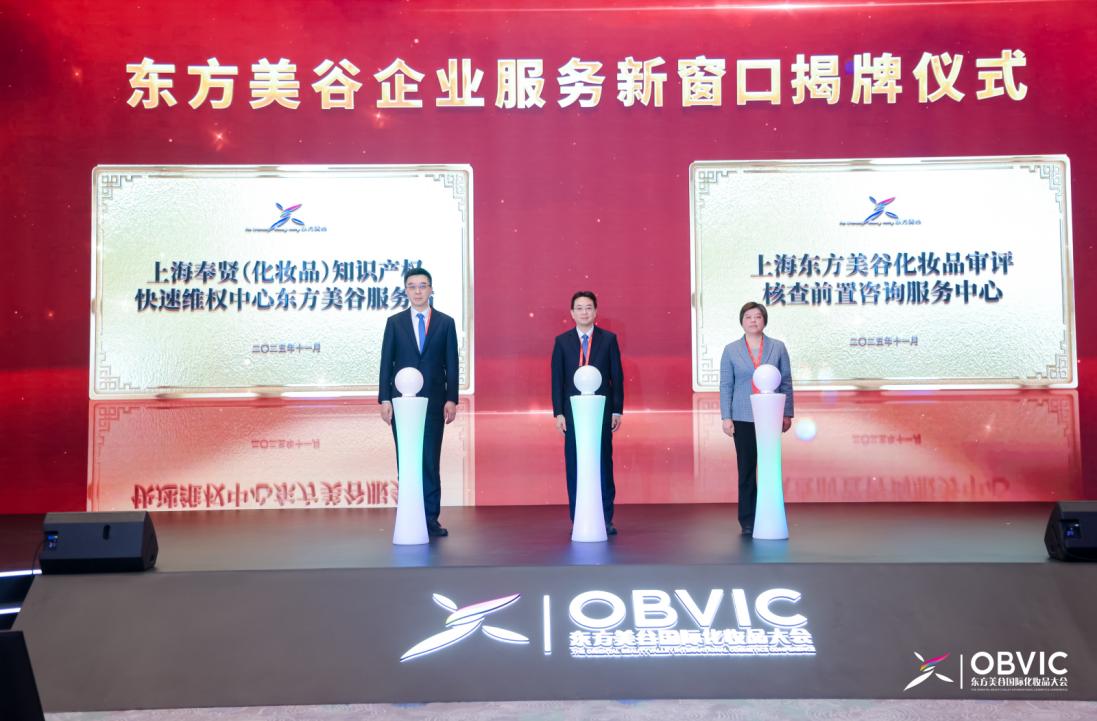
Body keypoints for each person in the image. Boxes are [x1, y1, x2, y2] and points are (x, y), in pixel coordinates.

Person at [378, 267, 459, 537]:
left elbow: (451, 363)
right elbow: (386, 363)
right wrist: (385, 398)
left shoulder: (445, 323)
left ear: (431, 289)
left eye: (423, 286)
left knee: (429, 460)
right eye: (412, 286)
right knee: (407, 458)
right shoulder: (395, 323)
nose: (418, 291)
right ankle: (409, 513)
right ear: (406, 291)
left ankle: (430, 518)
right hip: (402, 404)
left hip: (434, 401)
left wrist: (451, 398)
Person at [551, 291, 624, 534]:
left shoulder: (608, 339)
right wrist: (558, 413)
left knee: (603, 461)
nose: (584, 312)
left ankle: (605, 517)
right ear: (572, 313)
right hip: (573, 414)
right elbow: (557, 380)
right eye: (580, 308)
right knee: (575, 462)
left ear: (596, 311)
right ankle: (578, 516)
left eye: (589, 307)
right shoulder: (562, 341)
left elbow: (617, 377)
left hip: (601, 412)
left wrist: (617, 410)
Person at [719, 301, 794, 535]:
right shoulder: (731, 350)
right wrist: (726, 416)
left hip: (771, 416)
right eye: (748, 317)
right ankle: (747, 519)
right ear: (742, 321)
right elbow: (726, 385)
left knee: (770, 469)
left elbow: (786, 381)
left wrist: (787, 413)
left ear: (764, 320)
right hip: (742, 416)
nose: (753, 321)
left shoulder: (777, 347)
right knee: (747, 470)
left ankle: (769, 515)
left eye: (758, 316)